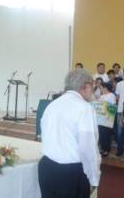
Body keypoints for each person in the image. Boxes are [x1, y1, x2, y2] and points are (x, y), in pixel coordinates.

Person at [39, 69, 101, 198]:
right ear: (86, 85)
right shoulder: (85, 108)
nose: (93, 89)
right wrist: (93, 178)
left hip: (46, 167)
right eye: (93, 85)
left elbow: (44, 135)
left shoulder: (52, 105)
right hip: (71, 173)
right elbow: (87, 148)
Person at [96, 82, 117, 157]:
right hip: (100, 119)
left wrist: (105, 107)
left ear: (105, 88)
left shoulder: (111, 95)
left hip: (107, 118)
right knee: (101, 134)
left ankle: (107, 149)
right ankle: (102, 148)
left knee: (106, 135)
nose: (100, 89)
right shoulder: (101, 96)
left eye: (101, 87)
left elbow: (113, 106)